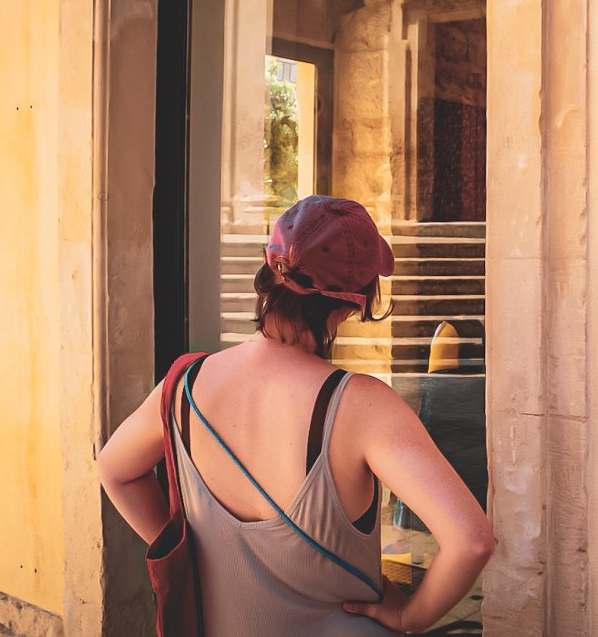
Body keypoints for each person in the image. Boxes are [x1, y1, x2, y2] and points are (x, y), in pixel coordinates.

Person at [98, 196, 494, 635]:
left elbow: (115, 470)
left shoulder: (184, 384)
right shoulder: (361, 404)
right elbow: (471, 541)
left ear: (269, 271)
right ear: (352, 305)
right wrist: (408, 616)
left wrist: (189, 554)